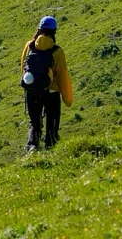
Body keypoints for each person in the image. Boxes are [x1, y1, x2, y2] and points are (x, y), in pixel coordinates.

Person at [20, 14, 73, 152]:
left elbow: (23, 68)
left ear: (39, 29)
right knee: (52, 122)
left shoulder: (29, 46)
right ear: (54, 31)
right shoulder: (57, 51)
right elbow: (62, 75)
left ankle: (32, 147)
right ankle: (51, 148)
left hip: (32, 91)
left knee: (34, 122)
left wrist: (30, 85)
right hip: (51, 92)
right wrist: (67, 99)